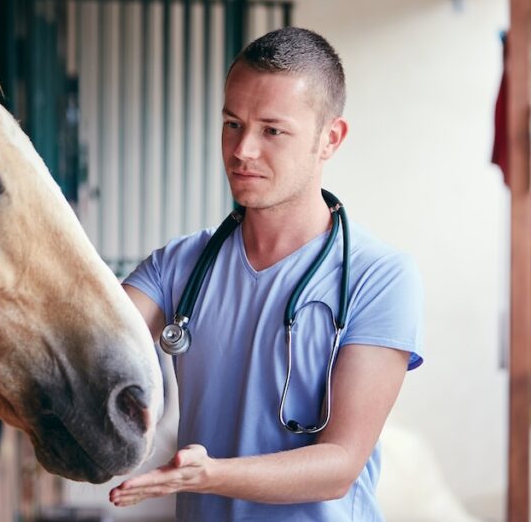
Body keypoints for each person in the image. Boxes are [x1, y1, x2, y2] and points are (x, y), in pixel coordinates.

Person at [108, 27, 424, 520]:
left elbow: (339, 465)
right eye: (233, 124)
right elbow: (97, 337)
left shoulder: (378, 277)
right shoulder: (179, 266)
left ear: (330, 139)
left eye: (272, 131)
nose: (242, 151)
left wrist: (210, 475)